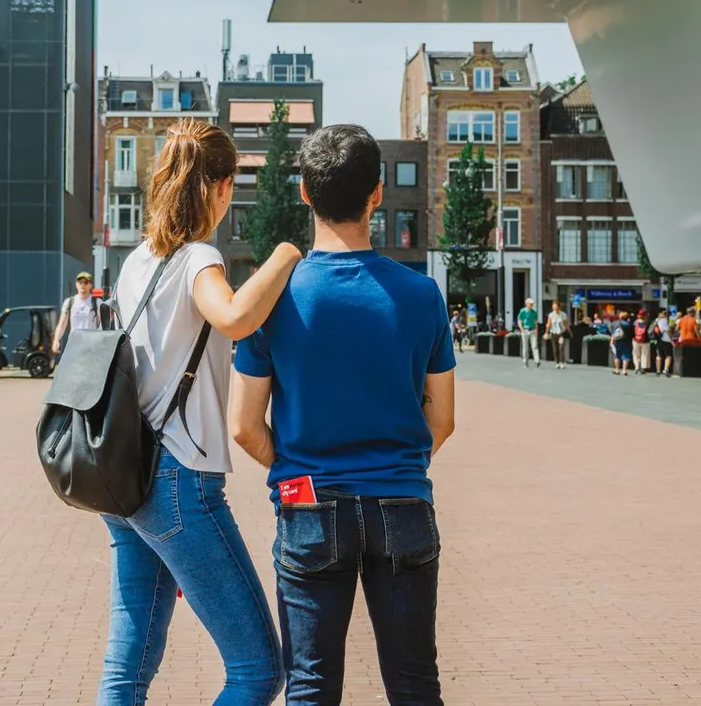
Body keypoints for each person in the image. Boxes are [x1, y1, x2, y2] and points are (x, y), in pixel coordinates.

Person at [231, 125, 456, 705]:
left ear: (304, 192)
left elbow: (244, 425)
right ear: (376, 194)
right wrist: (397, 466)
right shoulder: (421, 293)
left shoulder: (272, 300)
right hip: (403, 502)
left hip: (309, 503)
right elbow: (443, 419)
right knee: (414, 684)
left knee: (310, 684)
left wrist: (296, 467)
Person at [96, 119, 293, 706]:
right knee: (258, 670)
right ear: (222, 187)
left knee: (126, 669)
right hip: (181, 481)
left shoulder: (136, 262)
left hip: (126, 479)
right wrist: (285, 254)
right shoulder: (199, 258)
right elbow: (233, 317)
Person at [52, 271, 101, 354]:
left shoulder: (98, 303)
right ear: (76, 284)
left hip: (92, 345)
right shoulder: (69, 302)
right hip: (74, 345)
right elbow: (62, 324)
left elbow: (103, 326)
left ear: (91, 285)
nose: (82, 285)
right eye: (80, 282)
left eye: (85, 282)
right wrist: (56, 340)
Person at [544, 300, 570, 370]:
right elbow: (548, 324)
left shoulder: (563, 314)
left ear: (559, 307)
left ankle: (562, 362)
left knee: (561, 348)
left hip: (561, 333)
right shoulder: (551, 315)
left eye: (555, 306)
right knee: (555, 349)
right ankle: (557, 362)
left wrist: (569, 330)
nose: (554, 307)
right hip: (553, 333)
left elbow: (566, 323)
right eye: (553, 306)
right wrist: (546, 332)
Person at [518, 298, 541, 368]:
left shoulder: (534, 312)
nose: (531, 305)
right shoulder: (523, 311)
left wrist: (536, 330)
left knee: (534, 346)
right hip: (525, 330)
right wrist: (521, 328)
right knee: (525, 347)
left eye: (532, 304)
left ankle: (537, 361)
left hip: (532, 330)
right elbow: (519, 320)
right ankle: (525, 361)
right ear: (527, 304)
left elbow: (535, 322)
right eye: (530, 304)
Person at [610, 310, 632, 376]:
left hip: (617, 341)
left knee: (617, 355)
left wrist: (612, 340)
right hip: (626, 341)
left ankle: (617, 370)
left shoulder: (615, 323)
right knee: (626, 356)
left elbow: (613, 333)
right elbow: (630, 333)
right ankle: (624, 371)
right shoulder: (628, 324)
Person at [653, 309, 674, 377]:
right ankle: (665, 370)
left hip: (658, 340)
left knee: (659, 355)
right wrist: (672, 339)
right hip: (666, 340)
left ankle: (658, 370)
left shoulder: (656, 320)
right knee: (668, 355)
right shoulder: (664, 320)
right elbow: (667, 331)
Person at [632, 310, 652, 375]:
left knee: (636, 354)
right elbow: (650, 332)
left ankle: (637, 367)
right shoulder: (647, 323)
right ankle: (643, 368)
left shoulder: (635, 322)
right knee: (644, 354)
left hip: (635, 340)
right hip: (645, 341)